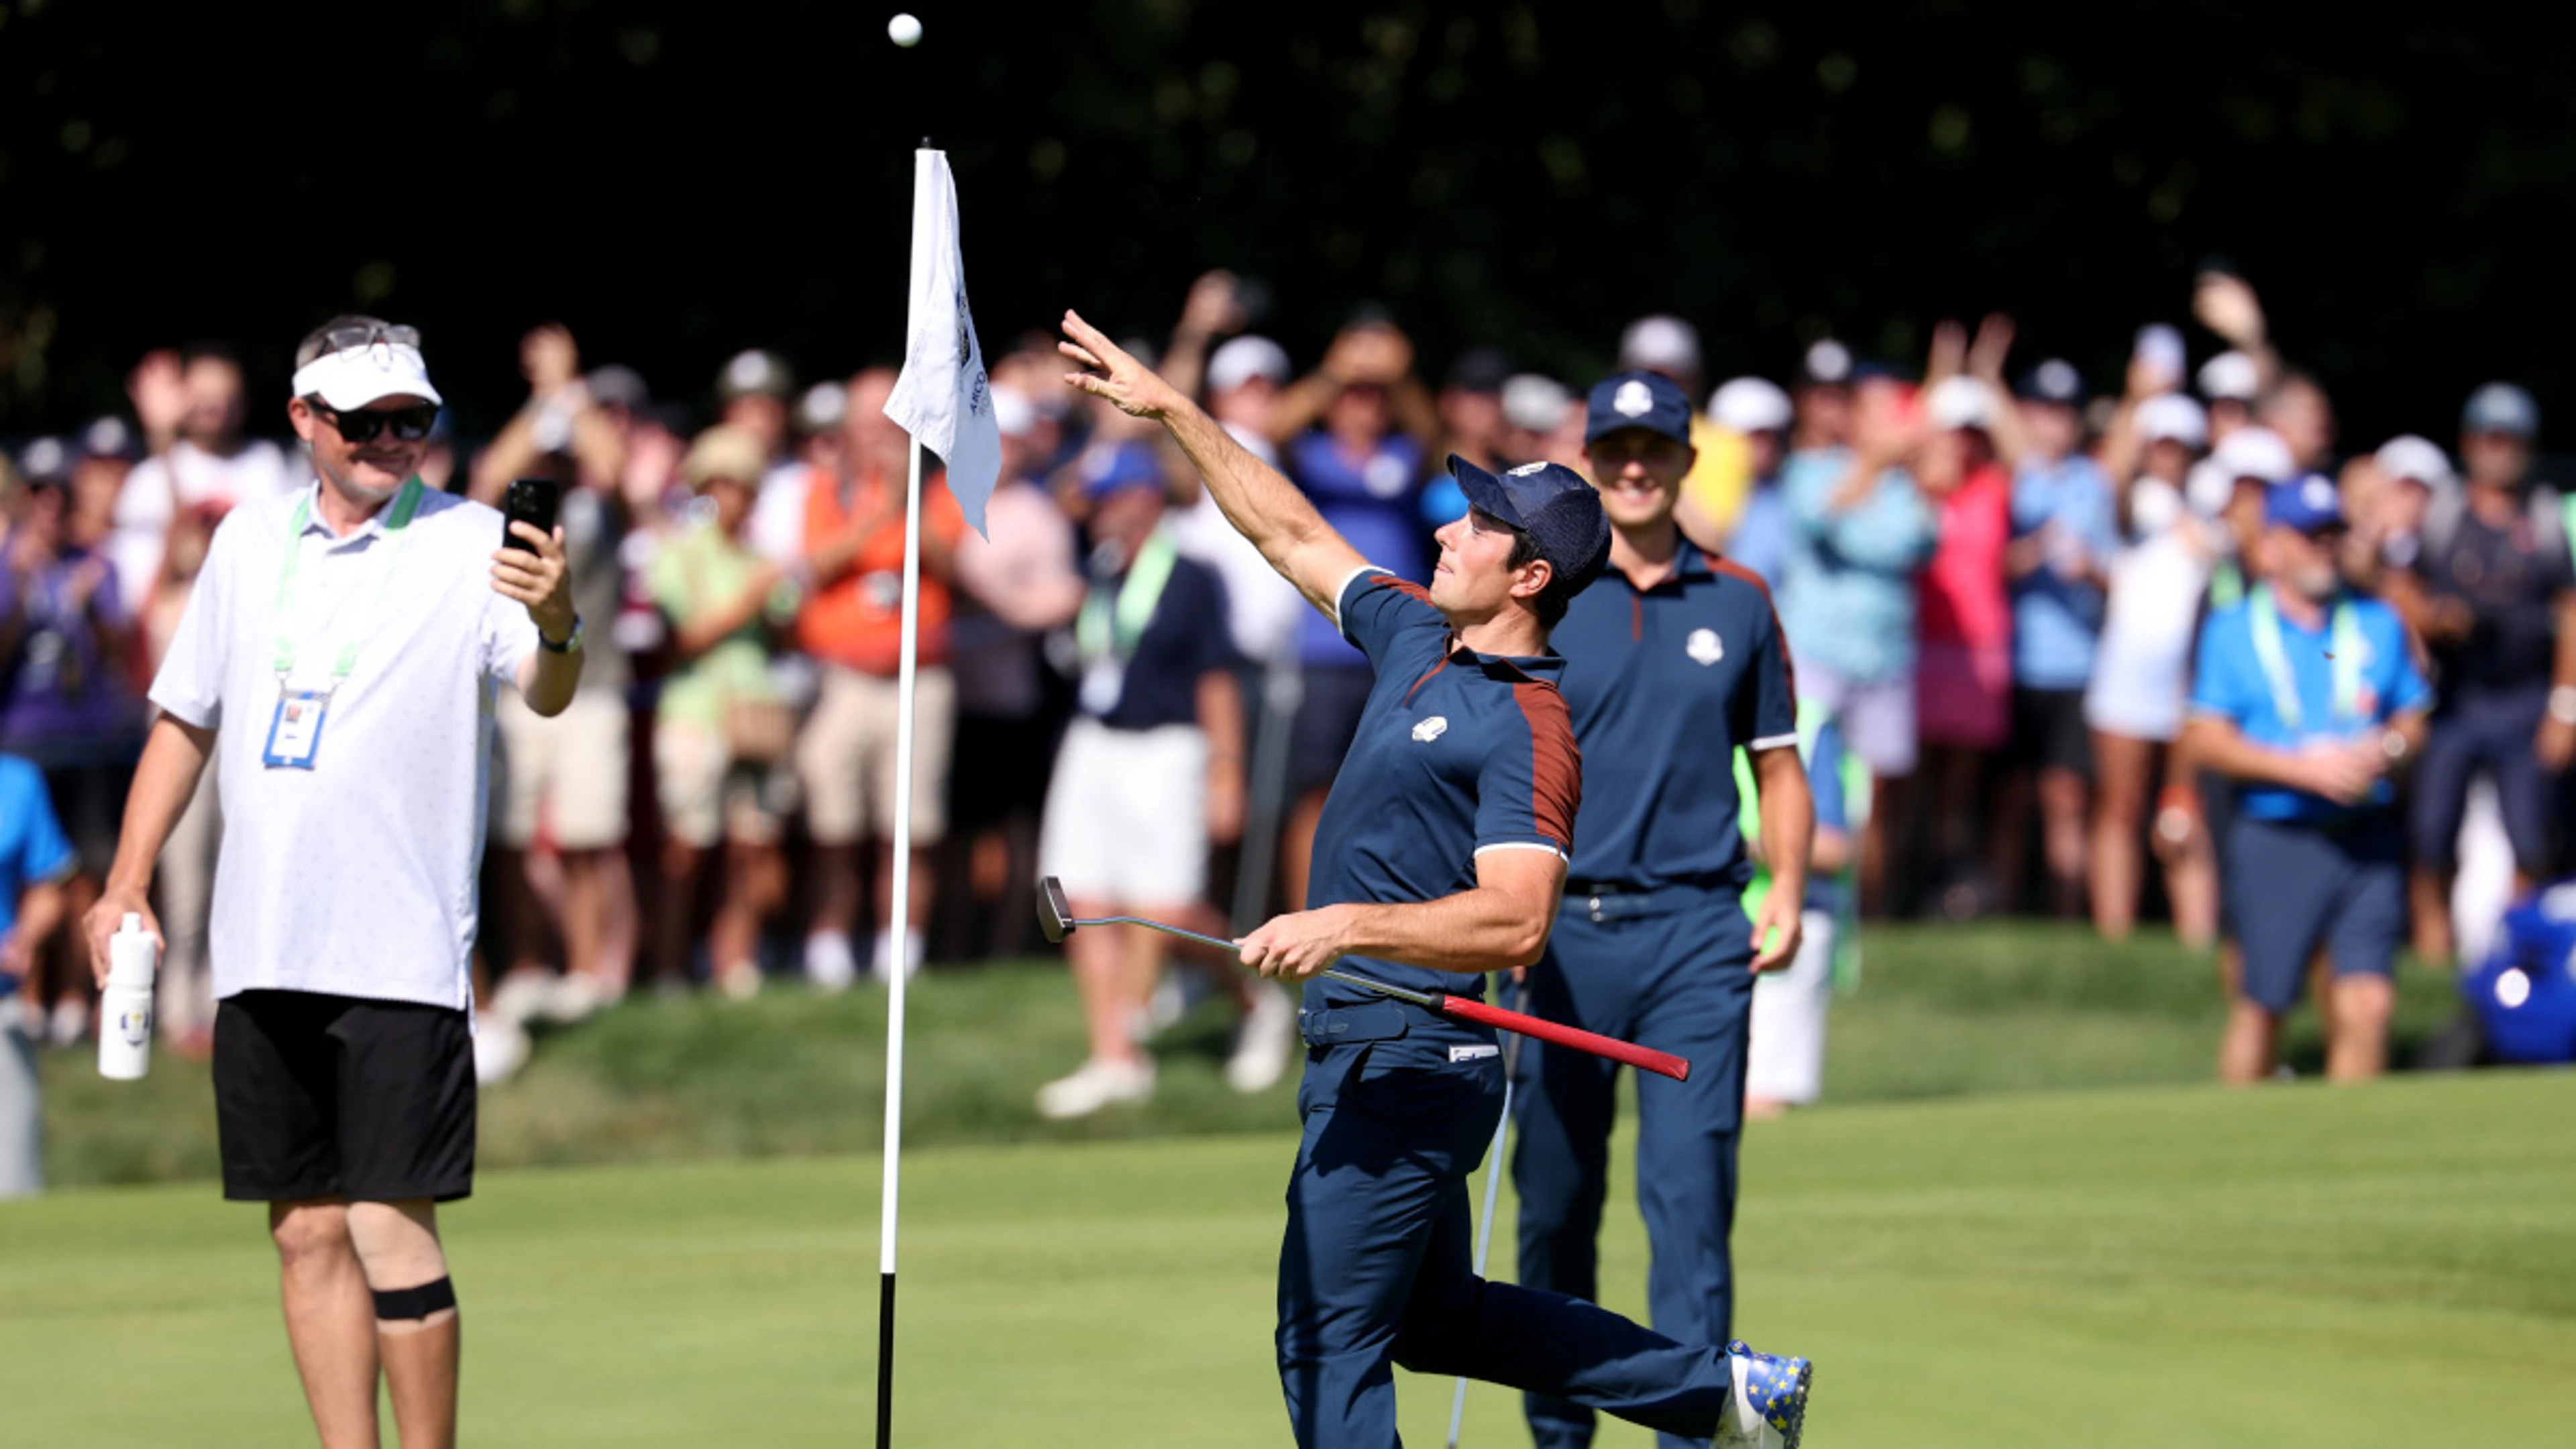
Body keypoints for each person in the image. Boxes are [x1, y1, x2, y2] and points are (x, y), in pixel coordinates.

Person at [1057, 311, 1813, 1449]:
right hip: (1376, 1048)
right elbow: (1290, 530)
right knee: (1436, 1319)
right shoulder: (1419, 638)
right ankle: (1719, 1394)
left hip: (1406, 1061)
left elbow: (1516, 922)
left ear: (1532, 574)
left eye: (1481, 528)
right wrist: (1175, 411)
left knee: (1324, 1336)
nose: (1451, 533)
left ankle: (1710, 1393)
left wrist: (1343, 924)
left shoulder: (1531, 727)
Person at [79, 315, 583, 1448]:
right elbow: (184, 721)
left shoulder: (469, 541)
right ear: (306, 420)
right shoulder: (249, 542)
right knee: (305, 1233)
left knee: (387, 1225)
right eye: (368, 423)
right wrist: (123, 883)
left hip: (400, 945)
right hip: (267, 945)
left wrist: (557, 619)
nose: (396, 441)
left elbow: (547, 690)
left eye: (415, 419)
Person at [1513, 370, 1813, 1449]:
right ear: (1590, 461)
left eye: (1656, 448)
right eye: (1616, 447)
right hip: (1559, 935)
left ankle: (1695, 1434)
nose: (1635, 466)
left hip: (1695, 935)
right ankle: (1560, 1433)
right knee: (1553, 1202)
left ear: (1689, 463)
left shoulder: (1737, 599)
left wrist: (1785, 885)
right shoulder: (1543, 594)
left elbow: (1779, 767)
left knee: (1689, 1202)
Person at [2185, 476, 2430, 1083]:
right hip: (2278, 835)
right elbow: (2205, 737)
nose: (2324, 549)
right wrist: (2303, 769)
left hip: (2364, 835)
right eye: (2309, 536)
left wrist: (2388, 749)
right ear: (2271, 547)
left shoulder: (2376, 622)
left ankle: (2355, 1157)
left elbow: (2413, 715)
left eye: (2332, 536)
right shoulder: (2233, 627)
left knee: (2369, 1003)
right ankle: (2227, 1146)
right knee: (2263, 1006)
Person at [1033, 445, 1249, 1117]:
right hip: (1095, 743)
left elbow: (1216, 679)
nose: (1097, 512)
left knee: (1168, 908)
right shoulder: (1099, 572)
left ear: (1145, 498)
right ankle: (1115, 1056)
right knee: (1082, 899)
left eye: (1109, 498)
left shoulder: (1190, 575)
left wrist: (1226, 769)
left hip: (1170, 747)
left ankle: (1252, 999)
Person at [470, 325, 639, 1024]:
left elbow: (617, 468)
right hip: (519, 686)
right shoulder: (507, 512)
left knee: (586, 839)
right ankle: (533, 969)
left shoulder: (602, 507)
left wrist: (568, 391)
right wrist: (543, 400)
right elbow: (486, 476)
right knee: (510, 842)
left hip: (595, 692)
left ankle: (586, 973)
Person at [794, 368, 967, 986]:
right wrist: (879, 514)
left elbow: (953, 568)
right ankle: (830, 944)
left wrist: (909, 504)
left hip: (918, 682)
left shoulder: (938, 491)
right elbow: (816, 567)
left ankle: (903, 948)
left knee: (912, 828)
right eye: (868, 425)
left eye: (889, 423)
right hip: (842, 682)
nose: (880, 436)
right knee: (833, 825)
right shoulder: (826, 491)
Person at [2394, 384, 2576, 965]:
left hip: (2524, 700)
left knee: (2531, 834)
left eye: (2514, 440)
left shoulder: (2546, 520)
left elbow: (2572, 614)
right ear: (2470, 443)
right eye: (2492, 438)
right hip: (2454, 699)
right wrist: (2432, 620)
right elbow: (2402, 590)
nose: (2503, 451)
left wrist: (2566, 706)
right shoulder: (2443, 515)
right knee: (2431, 830)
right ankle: (2432, 951)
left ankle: (2512, 952)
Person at [647, 426, 803, 998]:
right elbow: (687, 637)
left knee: (751, 849)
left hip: (756, 713)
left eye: (744, 486)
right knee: (686, 851)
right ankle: (668, 968)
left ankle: (734, 963)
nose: (735, 497)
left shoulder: (762, 559)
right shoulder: (678, 555)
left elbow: (787, 637)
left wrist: (781, 604)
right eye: (724, 484)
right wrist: (752, 601)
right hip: (695, 715)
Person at [1776, 370, 1937, 916]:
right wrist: (1873, 467)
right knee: (1801, 783)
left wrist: (1887, 481)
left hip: (1884, 660)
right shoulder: (1807, 469)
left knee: (1875, 799)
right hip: (1817, 655)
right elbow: (1820, 520)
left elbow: (1917, 542)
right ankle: (1799, 894)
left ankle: (1867, 913)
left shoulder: (1905, 485)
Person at [1994, 358, 2115, 918]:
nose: (2054, 426)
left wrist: (2089, 569)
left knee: (2068, 797)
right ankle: (2004, 908)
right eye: (2044, 412)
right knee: (2012, 799)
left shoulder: (2097, 483)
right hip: (2017, 661)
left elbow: (2115, 575)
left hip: (2077, 665)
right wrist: (2031, 553)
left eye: (2065, 414)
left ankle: (2066, 919)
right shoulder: (2012, 480)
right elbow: (1986, 566)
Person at [1739, 706, 1864, 1119]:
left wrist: (1733, 844)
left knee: (1761, 1099)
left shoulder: (1809, 722)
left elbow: (1833, 846)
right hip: (1698, 926)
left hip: (1783, 929)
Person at [2, 747, 76, 1197]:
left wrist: (25, 938)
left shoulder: (18, 781)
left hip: (3, 1005)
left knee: (13, 1184)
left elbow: (50, 884)